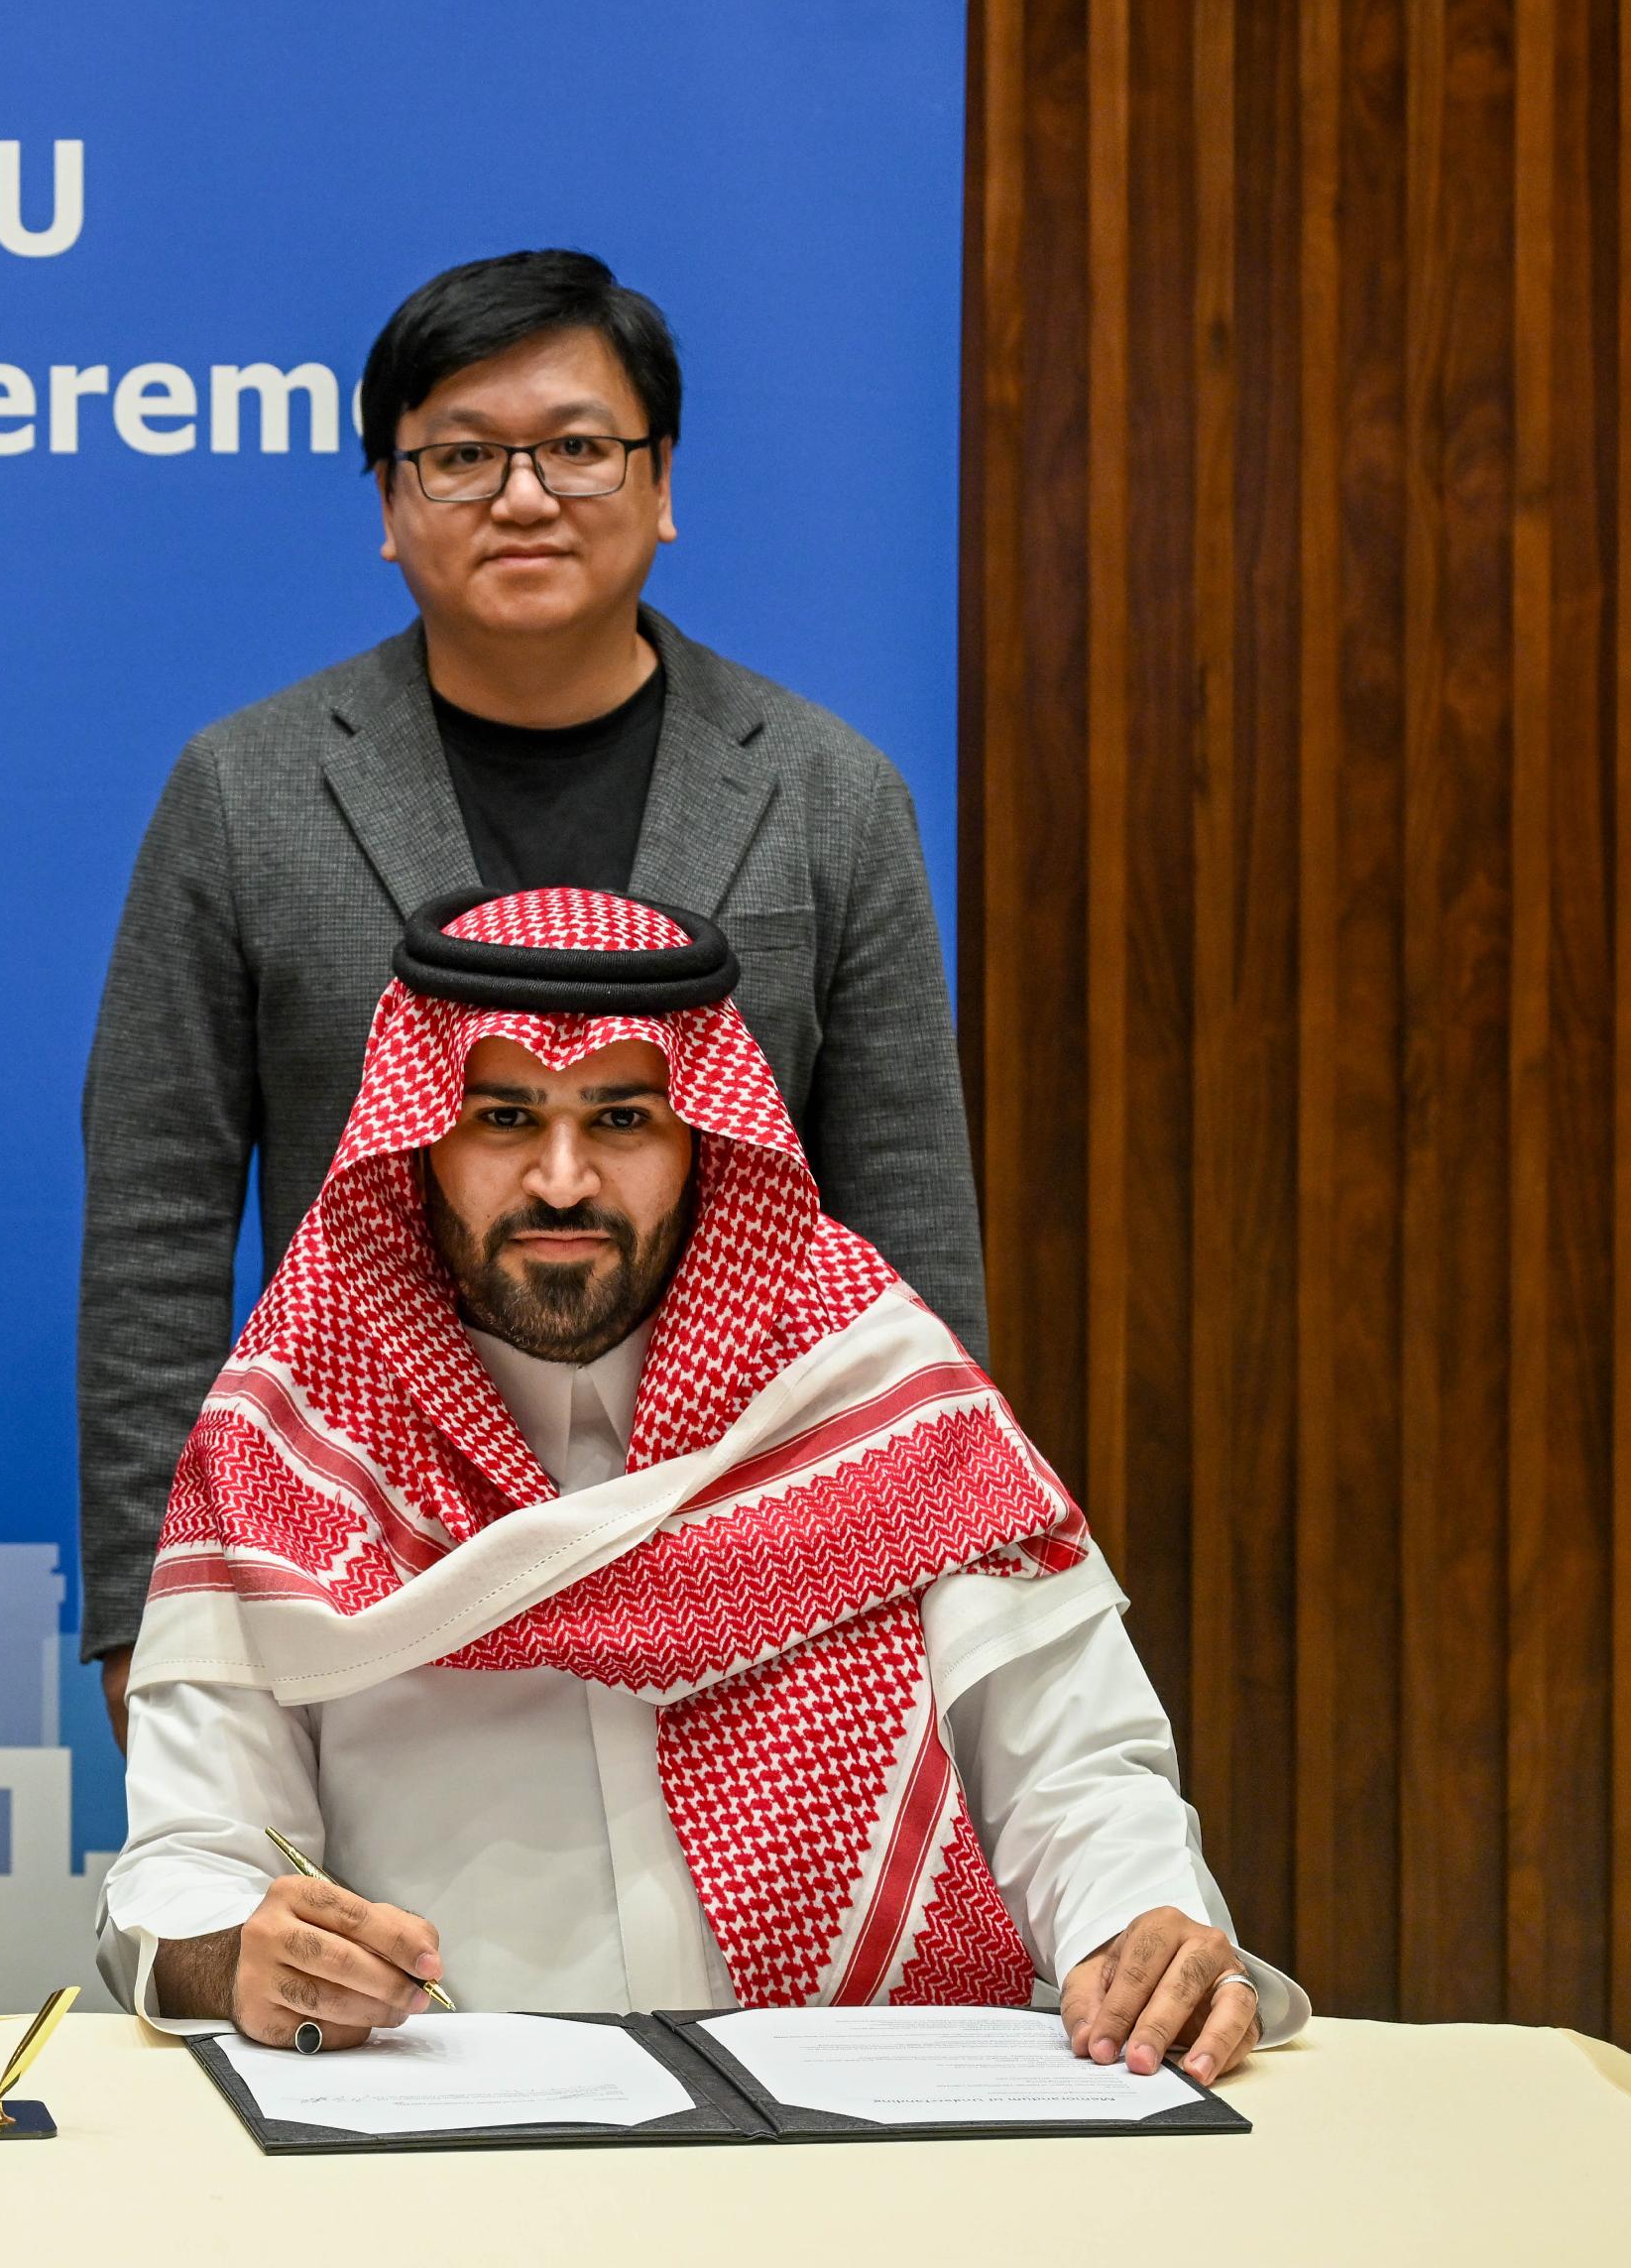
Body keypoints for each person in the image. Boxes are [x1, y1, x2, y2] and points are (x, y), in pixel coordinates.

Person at [98, 889, 1296, 2086]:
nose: (561, 1181)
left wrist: (1132, 1927)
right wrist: (238, 1955)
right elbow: (189, 1866)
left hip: (875, 2135)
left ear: (703, 1139)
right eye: (504, 1115)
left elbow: (1073, 1775)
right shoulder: (291, 1438)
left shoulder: (871, 1389)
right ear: (421, 1137)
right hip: (454, 2157)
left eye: (619, 1119)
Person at [79, 249, 985, 1730]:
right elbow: (156, 1223)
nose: (521, 495)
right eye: (458, 456)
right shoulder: (245, 793)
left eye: (575, 446)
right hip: (367, 1543)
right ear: (387, 506)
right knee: (376, 1962)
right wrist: (151, 1602)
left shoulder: (828, 795)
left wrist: (948, 1557)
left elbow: (907, 1208)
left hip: (751, 1546)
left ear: (663, 481)